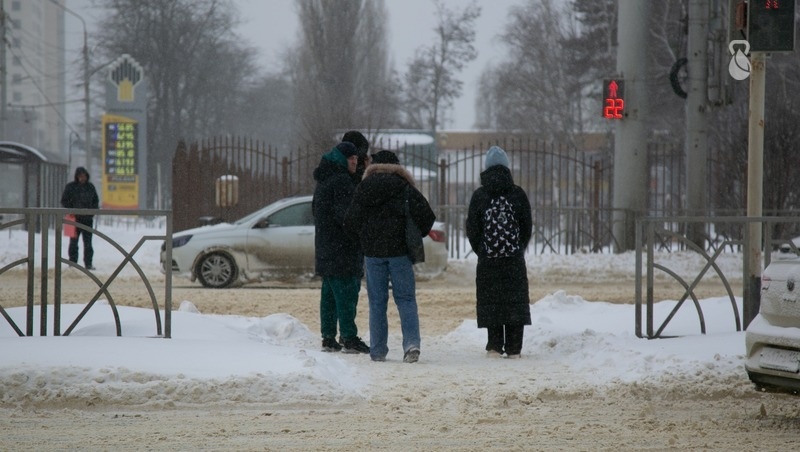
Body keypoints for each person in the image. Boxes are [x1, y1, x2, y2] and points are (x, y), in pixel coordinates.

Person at [344, 150, 435, 363]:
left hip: (373, 254)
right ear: (396, 166)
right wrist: (413, 233)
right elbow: (427, 217)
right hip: (400, 252)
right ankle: (411, 345)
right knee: (406, 299)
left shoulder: (364, 188)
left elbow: (350, 222)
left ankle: (377, 350)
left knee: (377, 302)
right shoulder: (404, 187)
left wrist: (365, 238)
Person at [465, 146, 532, 359]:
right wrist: (518, 248)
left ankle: (494, 345)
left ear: (486, 168)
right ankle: (514, 348)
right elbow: (527, 227)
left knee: (491, 301)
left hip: (488, 260)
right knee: (514, 301)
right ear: (507, 167)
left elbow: (472, 229)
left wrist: (483, 251)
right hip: (513, 260)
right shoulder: (518, 194)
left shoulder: (480, 195)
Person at [312, 141, 370, 354]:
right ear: (341, 159)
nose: (355, 162)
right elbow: (347, 216)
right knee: (346, 293)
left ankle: (328, 337)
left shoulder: (324, 180)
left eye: (356, 158)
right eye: (351, 158)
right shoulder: (342, 181)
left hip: (326, 246)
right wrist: (360, 233)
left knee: (329, 295)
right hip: (343, 248)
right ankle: (349, 337)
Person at [61, 166, 100, 270]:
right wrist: (72, 210)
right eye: (80, 176)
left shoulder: (90, 187)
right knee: (73, 243)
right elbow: (64, 201)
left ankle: (88, 264)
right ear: (77, 176)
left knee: (88, 243)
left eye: (84, 176)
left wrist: (91, 213)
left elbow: (95, 201)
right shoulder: (71, 187)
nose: (82, 178)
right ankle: (72, 263)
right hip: (73, 219)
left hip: (87, 220)